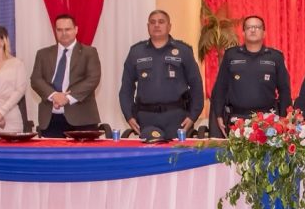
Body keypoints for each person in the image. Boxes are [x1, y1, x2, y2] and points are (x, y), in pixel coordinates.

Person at [120, 9, 203, 140]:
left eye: (161, 22)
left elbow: (196, 85)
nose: (156, 25)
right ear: (148, 27)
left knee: (176, 158)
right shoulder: (136, 52)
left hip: (177, 119)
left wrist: (193, 116)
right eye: (152, 22)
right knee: (149, 159)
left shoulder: (183, 51)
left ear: (169, 26)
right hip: (146, 118)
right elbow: (126, 89)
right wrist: (129, 116)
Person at [210, 15, 291, 134]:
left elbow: (284, 90)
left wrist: (285, 118)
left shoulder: (275, 57)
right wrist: (218, 114)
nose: (253, 30)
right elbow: (221, 87)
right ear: (243, 33)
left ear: (264, 33)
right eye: (249, 27)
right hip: (237, 119)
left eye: (257, 27)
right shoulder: (231, 55)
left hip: (267, 120)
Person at [29, 14, 102, 138]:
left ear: (76, 30)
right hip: (51, 118)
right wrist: (54, 96)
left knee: (82, 156)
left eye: (67, 29)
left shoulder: (89, 52)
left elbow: (93, 79)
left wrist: (67, 98)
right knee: (52, 157)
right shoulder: (43, 54)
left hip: (82, 118)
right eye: (59, 30)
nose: (64, 33)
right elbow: (36, 80)